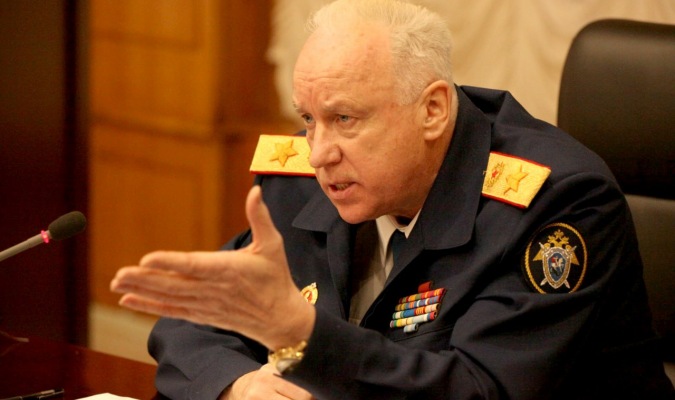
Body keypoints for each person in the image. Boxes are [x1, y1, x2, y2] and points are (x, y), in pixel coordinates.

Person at [110, 0, 675, 399]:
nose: (318, 153)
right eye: (308, 118)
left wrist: (302, 336)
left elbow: (481, 389)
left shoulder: (555, 205)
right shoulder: (305, 178)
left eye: (345, 119)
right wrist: (238, 386)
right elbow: (195, 322)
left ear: (433, 111)